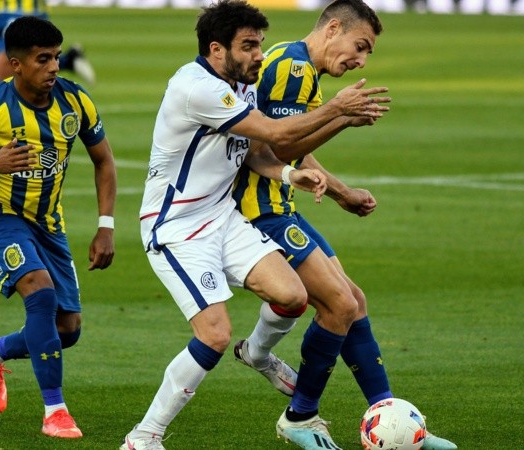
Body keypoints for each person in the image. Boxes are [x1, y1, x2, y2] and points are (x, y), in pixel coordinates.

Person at [118, 1, 386, 449]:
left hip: (222, 216)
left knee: (293, 296)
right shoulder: (197, 88)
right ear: (216, 49)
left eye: (259, 44)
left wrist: (290, 176)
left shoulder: (240, 85)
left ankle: (258, 353)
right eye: (248, 46)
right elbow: (278, 134)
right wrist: (338, 110)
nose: (259, 54)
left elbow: (259, 152)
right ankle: (143, 437)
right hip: (177, 227)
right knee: (215, 335)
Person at [230, 1, 457, 449]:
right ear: (333, 28)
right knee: (337, 304)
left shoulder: (301, 66)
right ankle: (300, 417)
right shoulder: (293, 68)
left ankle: (392, 416)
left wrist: (341, 192)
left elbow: (296, 144)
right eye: (360, 46)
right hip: (256, 211)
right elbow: (276, 149)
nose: (361, 61)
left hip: (278, 205)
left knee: (354, 301)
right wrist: (340, 117)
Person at [0, 16, 117, 439]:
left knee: (67, 330)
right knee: (40, 293)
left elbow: (104, 160)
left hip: (48, 224)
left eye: (56, 57)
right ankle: (55, 411)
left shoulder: (75, 101)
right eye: (42, 59)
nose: (54, 67)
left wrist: (105, 226)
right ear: (15, 64)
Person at [0, 0, 96, 84]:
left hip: (21, 9)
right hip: (3, 12)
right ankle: (68, 61)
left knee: (7, 56)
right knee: (28, 57)